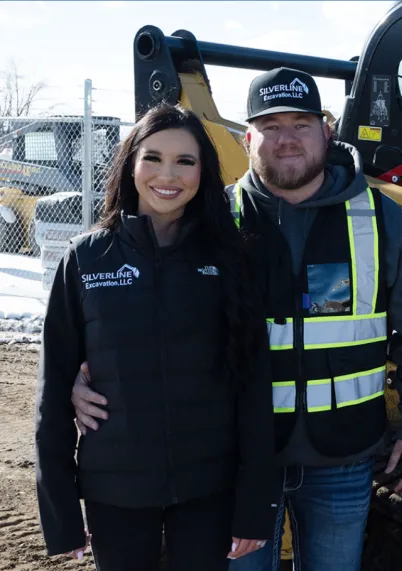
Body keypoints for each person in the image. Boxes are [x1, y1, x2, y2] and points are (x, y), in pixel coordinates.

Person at [69, 67, 402, 571]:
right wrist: (83, 372)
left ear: (327, 132)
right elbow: (136, 308)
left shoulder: (381, 218)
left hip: (341, 456)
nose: (286, 139)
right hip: (235, 460)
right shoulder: (210, 220)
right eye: (270, 126)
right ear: (248, 139)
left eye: (301, 124)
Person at [34, 103, 280, 570]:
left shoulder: (230, 258)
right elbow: (53, 391)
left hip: (208, 489)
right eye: (153, 157)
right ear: (130, 164)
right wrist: (60, 511)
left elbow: (254, 387)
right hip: (115, 490)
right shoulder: (86, 259)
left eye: (185, 161)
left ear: (203, 172)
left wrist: (254, 504)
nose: (168, 175)